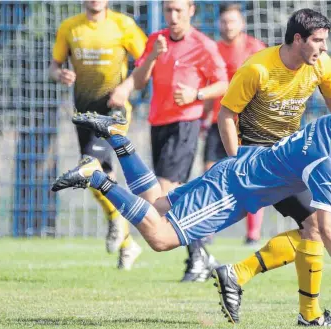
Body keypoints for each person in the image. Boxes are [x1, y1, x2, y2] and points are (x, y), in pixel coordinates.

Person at [52, 94, 331, 326]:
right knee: (159, 237)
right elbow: (329, 227)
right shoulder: (326, 161)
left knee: (155, 203)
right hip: (229, 192)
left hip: (232, 173)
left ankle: (119, 140)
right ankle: (96, 177)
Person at [216, 8, 331, 325]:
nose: (324, 48)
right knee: (317, 227)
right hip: (260, 160)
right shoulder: (258, 69)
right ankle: (301, 311)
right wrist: (237, 160)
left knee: (314, 230)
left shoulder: (320, 65)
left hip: (291, 158)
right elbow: (227, 114)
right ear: (297, 39)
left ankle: (241, 276)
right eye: (318, 41)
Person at [129, 0, 228, 281]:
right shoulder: (155, 40)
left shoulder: (203, 45)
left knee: (163, 193)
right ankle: (201, 256)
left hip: (185, 124)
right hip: (157, 123)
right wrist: (152, 57)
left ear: (191, 11)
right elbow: (137, 82)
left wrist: (196, 95)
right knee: (173, 196)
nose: (173, 16)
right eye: (168, 10)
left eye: (178, 11)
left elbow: (224, 84)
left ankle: (199, 256)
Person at [49, 0, 147, 269]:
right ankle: (127, 243)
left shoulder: (123, 25)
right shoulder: (70, 27)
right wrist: (61, 75)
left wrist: (126, 87)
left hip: (113, 113)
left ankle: (118, 221)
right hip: (84, 114)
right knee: (99, 176)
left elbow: (147, 60)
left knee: (90, 168)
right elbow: (54, 66)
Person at [202, 3, 266, 246]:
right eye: (224, 21)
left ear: (242, 23)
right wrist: (204, 117)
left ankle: (253, 234)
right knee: (210, 174)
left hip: (247, 124)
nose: (228, 25)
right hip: (219, 122)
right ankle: (206, 228)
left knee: (251, 176)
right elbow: (211, 86)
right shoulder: (214, 50)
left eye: (233, 21)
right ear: (219, 24)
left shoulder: (255, 49)